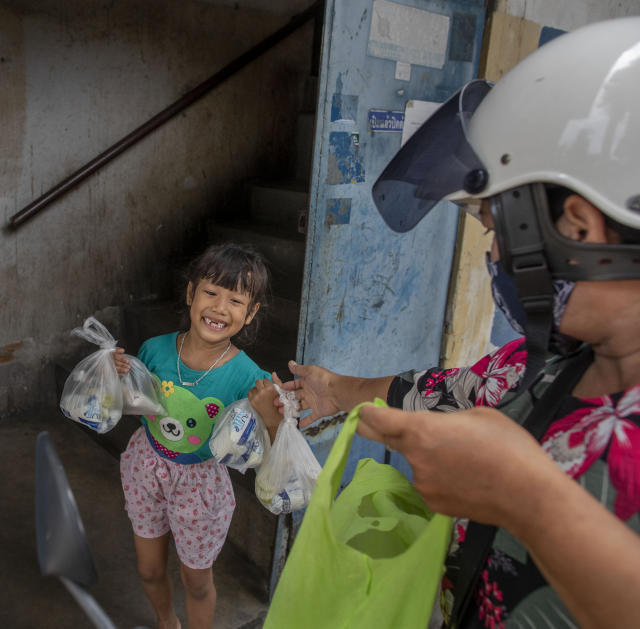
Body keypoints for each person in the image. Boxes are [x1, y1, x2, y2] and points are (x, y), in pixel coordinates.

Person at [256, 17, 640, 629]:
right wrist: (337, 391)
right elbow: (441, 393)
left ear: (579, 228)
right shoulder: (552, 360)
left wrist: (526, 497)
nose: (491, 257)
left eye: (492, 227)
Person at [113, 242, 274, 629]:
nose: (219, 308)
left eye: (235, 300)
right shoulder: (154, 350)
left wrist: (271, 414)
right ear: (191, 294)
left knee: (196, 582)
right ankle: (167, 622)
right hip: (145, 465)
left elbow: (262, 447)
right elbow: (133, 403)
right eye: (211, 292)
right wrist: (117, 375)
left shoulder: (250, 378)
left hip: (200, 484)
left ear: (250, 313)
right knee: (150, 570)